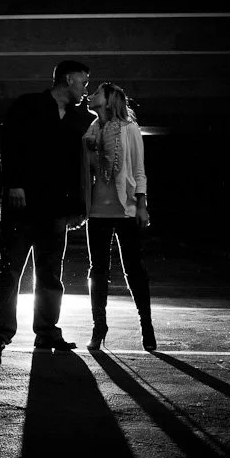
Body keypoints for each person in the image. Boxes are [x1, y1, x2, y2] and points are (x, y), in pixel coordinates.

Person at [0, 60, 95, 352]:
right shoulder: (28, 105)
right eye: (84, 82)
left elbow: (78, 167)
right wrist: (14, 184)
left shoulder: (78, 119)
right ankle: (2, 332)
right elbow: (9, 145)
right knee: (11, 271)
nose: (86, 88)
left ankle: (46, 331)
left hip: (56, 210)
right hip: (22, 205)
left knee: (50, 274)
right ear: (69, 79)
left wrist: (77, 208)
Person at [81, 82, 156, 351]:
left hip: (126, 209)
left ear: (110, 100)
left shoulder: (129, 130)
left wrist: (142, 205)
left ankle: (145, 323)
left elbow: (139, 170)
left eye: (97, 93)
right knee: (97, 269)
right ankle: (98, 327)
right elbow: (86, 172)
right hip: (97, 210)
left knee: (133, 268)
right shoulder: (89, 133)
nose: (90, 96)